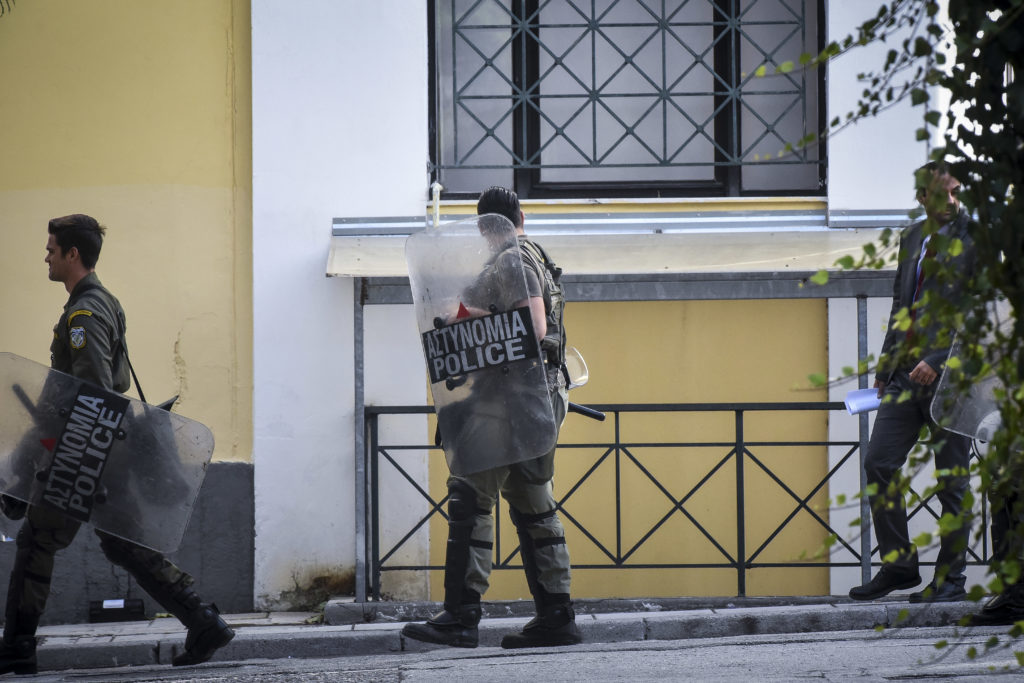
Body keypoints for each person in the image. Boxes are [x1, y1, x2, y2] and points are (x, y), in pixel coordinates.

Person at [0, 214, 234, 675]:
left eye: (51, 248)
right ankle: (203, 621)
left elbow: (91, 394)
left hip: (83, 451)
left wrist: (51, 456)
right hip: (104, 450)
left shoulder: (84, 312)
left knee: (38, 541)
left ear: (72, 254)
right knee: (124, 543)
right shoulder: (102, 302)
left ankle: (18, 647)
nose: (45, 255)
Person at [402, 187, 582, 649]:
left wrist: (461, 316)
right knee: (533, 503)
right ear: (522, 216)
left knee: (470, 498)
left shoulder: (508, 261)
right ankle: (556, 616)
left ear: (485, 228)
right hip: (535, 399)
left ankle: (461, 616)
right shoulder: (537, 254)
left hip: (506, 401)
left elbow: (532, 326)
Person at [849, 162, 976, 603]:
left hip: (953, 379)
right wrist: (885, 368)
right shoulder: (913, 238)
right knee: (878, 464)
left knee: (952, 482)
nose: (952, 201)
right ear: (923, 198)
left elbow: (980, 311)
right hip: (904, 376)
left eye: (956, 191)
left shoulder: (976, 238)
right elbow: (902, 305)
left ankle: (951, 582)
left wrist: (939, 359)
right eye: (942, 194)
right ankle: (900, 566)